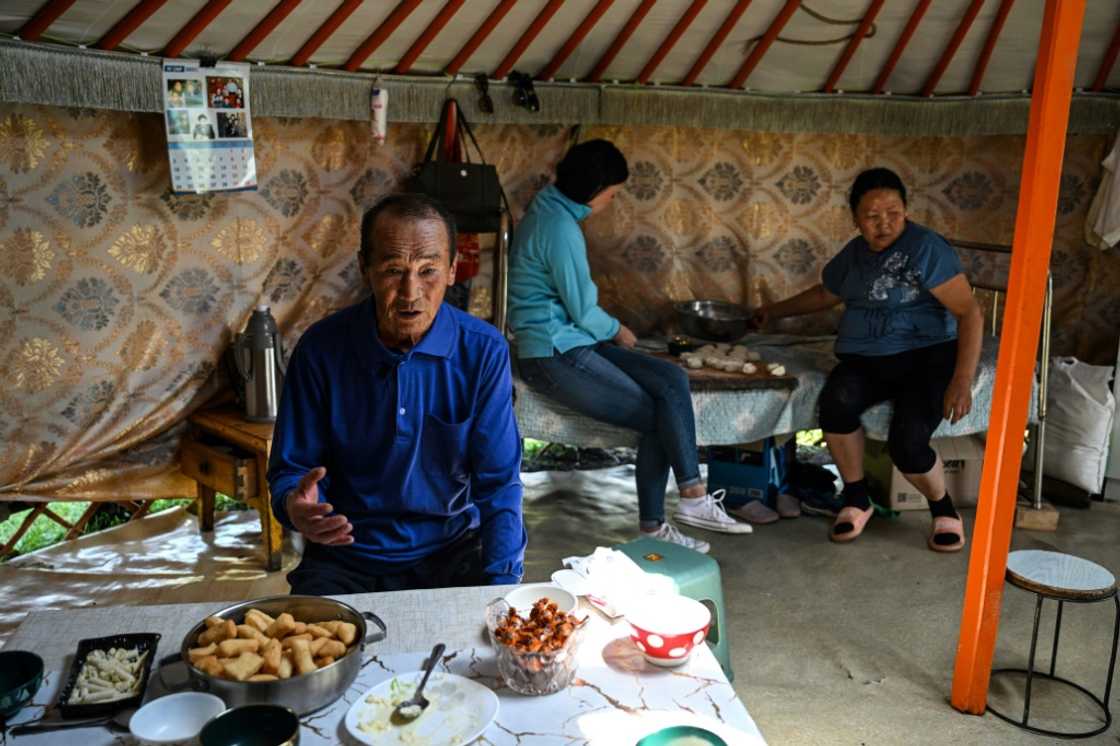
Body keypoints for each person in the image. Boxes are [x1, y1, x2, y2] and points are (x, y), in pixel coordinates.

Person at [268, 193, 526, 594]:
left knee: (482, 648)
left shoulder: (482, 351)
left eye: (428, 271)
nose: (410, 292)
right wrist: (294, 508)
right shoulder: (321, 349)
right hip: (344, 551)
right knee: (307, 647)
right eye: (393, 270)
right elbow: (290, 470)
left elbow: (499, 484)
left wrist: (502, 586)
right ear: (364, 268)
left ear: (454, 270)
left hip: (450, 549)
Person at [508, 140, 750, 555]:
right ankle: (678, 508)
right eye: (614, 192)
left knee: (671, 378)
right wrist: (618, 329)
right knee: (660, 414)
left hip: (572, 341)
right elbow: (584, 309)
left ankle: (689, 500)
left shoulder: (551, 211)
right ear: (595, 188)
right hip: (551, 352)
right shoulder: (558, 227)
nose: (612, 199)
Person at [753, 167, 983, 552]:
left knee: (907, 444)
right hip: (868, 358)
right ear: (856, 220)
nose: (884, 224)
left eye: (893, 212)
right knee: (836, 404)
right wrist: (772, 312)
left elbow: (970, 313)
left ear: (906, 210)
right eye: (872, 216)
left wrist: (962, 379)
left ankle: (944, 510)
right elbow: (826, 294)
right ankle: (857, 500)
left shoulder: (925, 248)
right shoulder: (854, 255)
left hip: (927, 356)